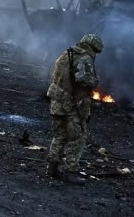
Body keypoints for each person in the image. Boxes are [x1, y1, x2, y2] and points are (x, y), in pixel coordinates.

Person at [46, 34, 103, 184]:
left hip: (57, 101)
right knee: (77, 138)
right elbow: (83, 80)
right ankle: (70, 171)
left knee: (59, 135)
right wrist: (96, 81)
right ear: (92, 47)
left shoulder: (66, 54)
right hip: (72, 105)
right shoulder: (85, 58)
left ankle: (52, 167)